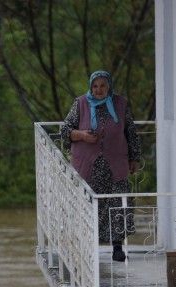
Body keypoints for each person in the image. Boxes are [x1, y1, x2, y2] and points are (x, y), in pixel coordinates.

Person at [60, 70, 141, 262]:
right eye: (95, 86)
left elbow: (131, 132)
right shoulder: (81, 103)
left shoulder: (120, 104)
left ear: (109, 86)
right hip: (88, 164)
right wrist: (82, 136)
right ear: (90, 87)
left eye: (103, 85)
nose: (99, 89)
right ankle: (87, 247)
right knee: (89, 206)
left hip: (115, 163)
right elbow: (65, 130)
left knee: (118, 204)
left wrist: (134, 157)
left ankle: (117, 247)